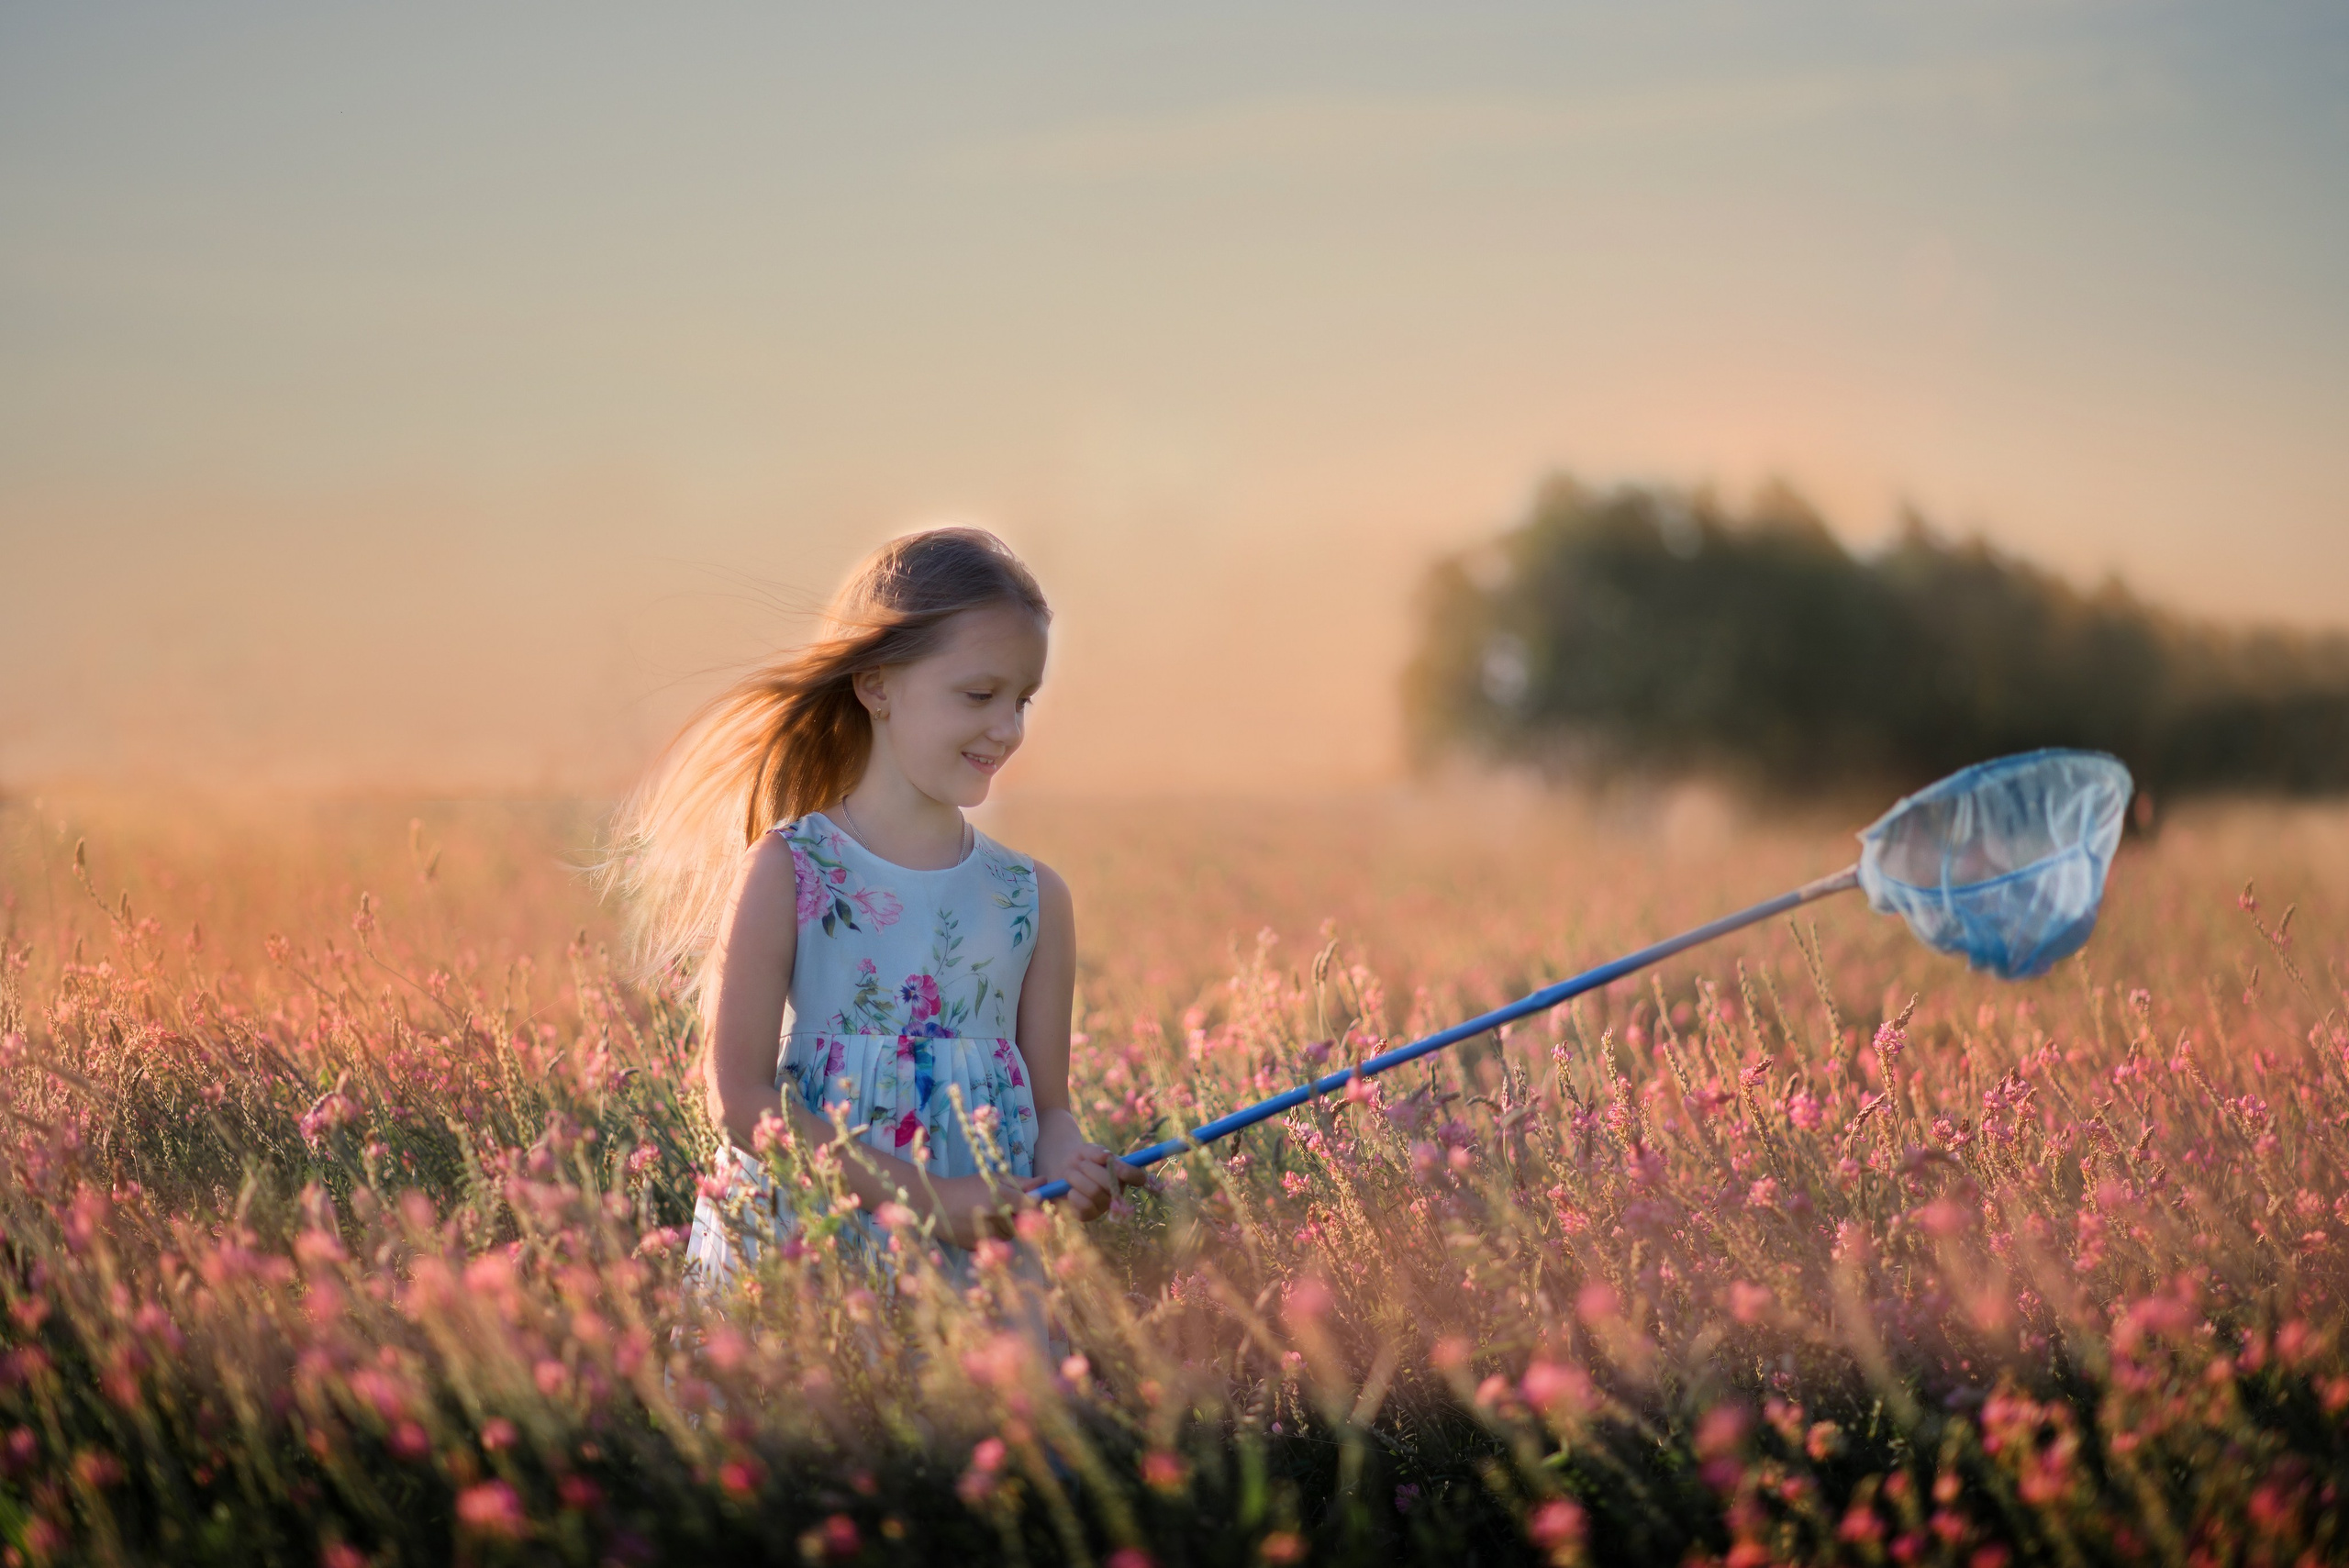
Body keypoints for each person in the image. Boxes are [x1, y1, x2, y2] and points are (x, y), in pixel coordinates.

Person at [607, 527, 1147, 1290]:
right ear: (876, 683)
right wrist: (927, 1198)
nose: (1008, 729)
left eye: (1022, 700)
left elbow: (1050, 1104)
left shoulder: (1032, 899)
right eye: (979, 694)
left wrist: (1070, 1160)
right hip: (810, 1249)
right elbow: (738, 1100)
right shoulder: (790, 869)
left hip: (972, 1268)